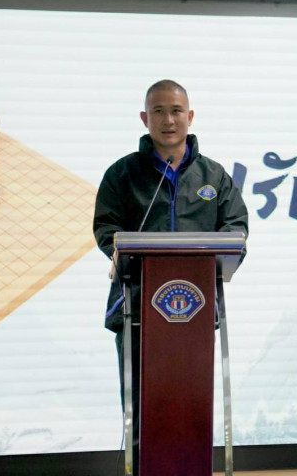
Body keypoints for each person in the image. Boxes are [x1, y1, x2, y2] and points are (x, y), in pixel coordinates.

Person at [92, 79, 248, 470]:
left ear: (190, 116)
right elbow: (106, 226)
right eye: (158, 112)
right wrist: (119, 248)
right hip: (136, 310)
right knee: (143, 410)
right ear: (144, 118)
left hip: (195, 316)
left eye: (176, 111)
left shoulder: (214, 176)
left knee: (189, 408)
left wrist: (226, 249)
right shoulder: (122, 174)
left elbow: (236, 227)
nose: (168, 120)